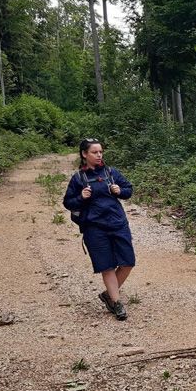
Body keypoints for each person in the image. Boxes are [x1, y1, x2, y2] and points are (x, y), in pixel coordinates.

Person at [63, 138, 136, 321]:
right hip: (94, 228)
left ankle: (108, 295)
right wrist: (80, 197)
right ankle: (117, 303)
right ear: (84, 154)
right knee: (107, 266)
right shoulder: (79, 178)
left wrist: (120, 191)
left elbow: (128, 190)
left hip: (117, 223)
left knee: (128, 262)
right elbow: (68, 202)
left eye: (100, 152)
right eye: (94, 152)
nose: (99, 155)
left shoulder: (111, 172)